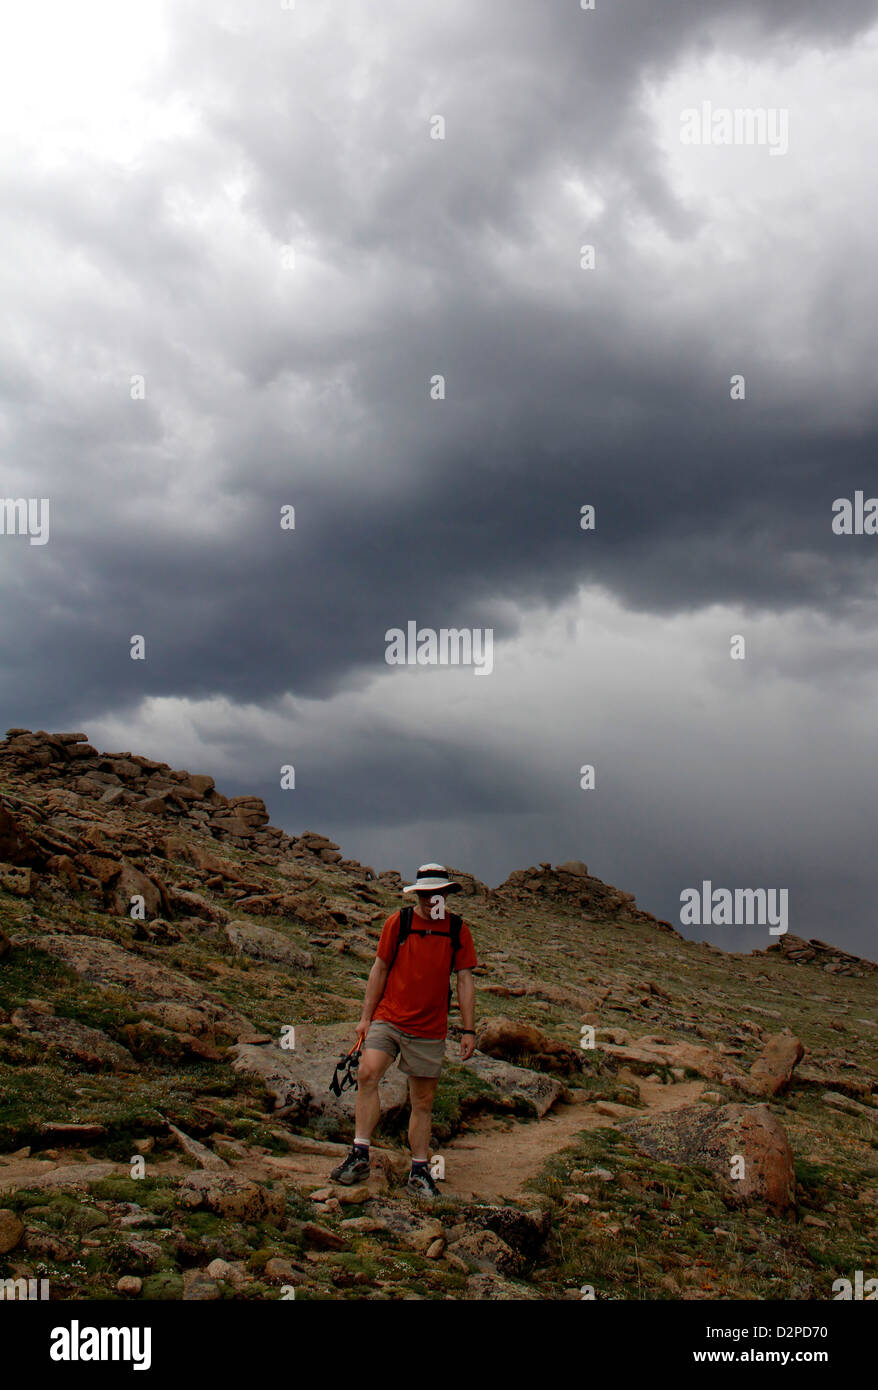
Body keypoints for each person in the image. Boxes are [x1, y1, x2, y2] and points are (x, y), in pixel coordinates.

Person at [330, 863, 478, 1198]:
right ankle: (360, 1154)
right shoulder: (399, 923)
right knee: (367, 1074)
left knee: (422, 1101)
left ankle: (419, 1170)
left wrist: (468, 1030)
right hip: (389, 1018)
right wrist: (366, 1018)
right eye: (426, 895)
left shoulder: (457, 930)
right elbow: (379, 968)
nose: (431, 901)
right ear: (418, 895)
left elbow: (465, 979)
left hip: (429, 1028)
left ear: (446, 895)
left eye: (437, 894)